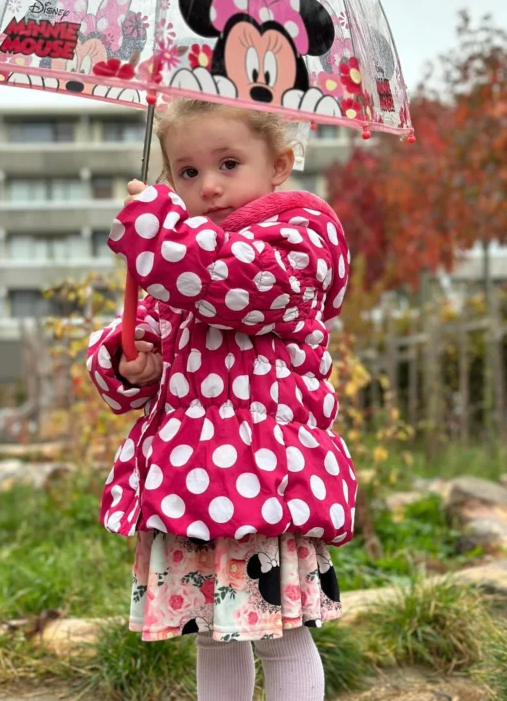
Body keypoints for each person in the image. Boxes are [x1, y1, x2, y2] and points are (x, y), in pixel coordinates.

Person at [87, 98, 357, 701]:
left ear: (280, 164)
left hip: (265, 481)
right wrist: (132, 359)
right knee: (212, 632)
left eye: (229, 163)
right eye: (186, 172)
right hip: (193, 482)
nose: (208, 186)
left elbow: (241, 287)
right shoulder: (179, 258)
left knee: (280, 635)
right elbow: (151, 338)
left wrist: (160, 234)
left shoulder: (298, 239)